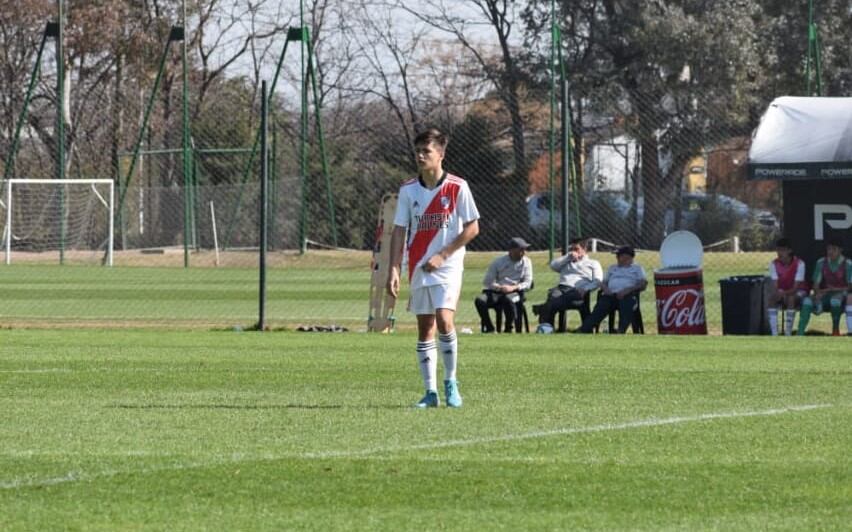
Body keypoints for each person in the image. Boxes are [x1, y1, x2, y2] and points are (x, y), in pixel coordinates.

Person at [386, 127, 480, 408]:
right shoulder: (408, 190)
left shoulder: (457, 187)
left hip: (448, 266)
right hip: (418, 265)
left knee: (444, 319)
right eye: (418, 150)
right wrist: (393, 268)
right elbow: (399, 231)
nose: (420, 155)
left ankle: (451, 382)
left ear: (441, 154)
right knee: (425, 327)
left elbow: (473, 227)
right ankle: (430, 392)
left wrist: (444, 253)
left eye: (426, 151)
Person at [532, 237, 603, 330]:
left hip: (578, 290)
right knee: (553, 294)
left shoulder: (593, 263)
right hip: (561, 288)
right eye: (572, 249)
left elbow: (598, 281)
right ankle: (547, 328)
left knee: (551, 303)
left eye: (576, 249)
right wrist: (568, 257)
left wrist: (586, 289)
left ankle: (543, 310)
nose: (574, 252)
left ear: (584, 249)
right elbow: (553, 266)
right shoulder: (567, 261)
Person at [579, 246, 646, 333]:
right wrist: (605, 289)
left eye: (620, 256)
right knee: (600, 307)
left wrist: (628, 290)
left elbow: (643, 284)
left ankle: (621, 330)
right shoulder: (612, 268)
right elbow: (603, 282)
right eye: (617, 256)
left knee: (627, 306)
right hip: (611, 295)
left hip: (628, 295)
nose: (617, 258)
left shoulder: (637, 268)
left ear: (628, 257)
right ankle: (585, 328)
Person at [474, 237, 534, 333]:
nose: (524, 252)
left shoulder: (527, 262)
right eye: (521, 250)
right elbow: (487, 282)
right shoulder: (498, 262)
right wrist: (499, 287)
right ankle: (490, 328)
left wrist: (513, 287)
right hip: (497, 291)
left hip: (516, 293)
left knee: (508, 300)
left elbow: (528, 283)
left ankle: (508, 329)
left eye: (524, 249)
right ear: (511, 250)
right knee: (480, 301)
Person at [797, 237, 852, 336]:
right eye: (829, 249)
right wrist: (818, 293)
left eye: (834, 249)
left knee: (835, 300)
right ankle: (799, 333)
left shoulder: (847, 264)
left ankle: (835, 331)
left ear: (840, 250)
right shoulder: (821, 262)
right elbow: (816, 284)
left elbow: (850, 287)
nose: (830, 252)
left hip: (841, 295)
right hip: (825, 294)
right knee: (807, 301)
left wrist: (834, 290)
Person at [767, 237, 807, 336]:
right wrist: (779, 293)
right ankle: (774, 333)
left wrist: (784, 294)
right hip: (782, 291)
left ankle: (788, 333)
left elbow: (796, 288)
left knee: (791, 299)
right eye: (778, 250)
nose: (780, 253)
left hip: (800, 291)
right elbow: (775, 285)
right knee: (772, 299)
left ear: (790, 250)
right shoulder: (773, 264)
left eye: (783, 250)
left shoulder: (800, 264)